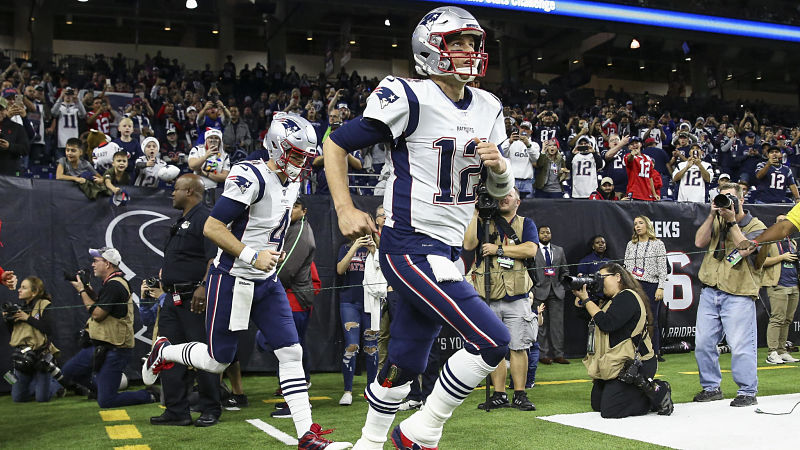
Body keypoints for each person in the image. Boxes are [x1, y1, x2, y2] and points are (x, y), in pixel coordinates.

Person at [323, 6, 515, 449]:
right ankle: (420, 432)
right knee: (493, 341)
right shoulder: (409, 95)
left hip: (447, 249)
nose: (468, 50)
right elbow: (336, 143)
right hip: (409, 243)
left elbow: (497, 190)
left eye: (472, 42)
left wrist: (501, 169)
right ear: (429, 49)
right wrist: (344, 208)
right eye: (457, 42)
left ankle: (369, 444)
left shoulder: (488, 106)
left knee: (404, 363)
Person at [141, 114, 349, 448]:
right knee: (217, 361)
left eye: (305, 157)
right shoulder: (250, 175)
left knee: (291, 352)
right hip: (233, 279)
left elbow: (268, 224)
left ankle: (307, 435)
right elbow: (212, 227)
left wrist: (272, 251)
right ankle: (165, 350)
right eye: (296, 155)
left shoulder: (292, 181)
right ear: (276, 147)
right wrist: (253, 255)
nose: (302, 163)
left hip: (266, 280)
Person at [149, 174, 221, 427]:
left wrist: (204, 286)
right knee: (168, 353)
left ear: (189, 191)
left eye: (176, 189)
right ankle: (176, 410)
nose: (172, 193)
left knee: (201, 355)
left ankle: (210, 408)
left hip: (194, 298)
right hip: (172, 298)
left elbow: (214, 259)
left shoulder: (205, 219)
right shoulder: (182, 220)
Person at [463, 188, 538, 411]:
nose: (504, 198)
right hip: (488, 295)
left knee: (519, 347)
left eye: (509, 195)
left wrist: (498, 249)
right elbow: (468, 245)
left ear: (518, 202)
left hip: (517, 295)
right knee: (495, 347)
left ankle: (520, 394)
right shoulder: (484, 221)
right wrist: (475, 213)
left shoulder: (526, 223)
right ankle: (499, 394)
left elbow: (531, 249)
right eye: (501, 194)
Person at [693, 182, 765, 407]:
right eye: (721, 197)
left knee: (741, 345)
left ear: (741, 200)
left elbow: (745, 249)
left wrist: (732, 221)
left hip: (738, 293)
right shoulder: (716, 220)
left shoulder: (756, 225)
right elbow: (699, 241)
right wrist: (711, 215)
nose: (725, 202)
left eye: (730, 198)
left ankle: (747, 391)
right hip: (710, 290)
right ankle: (711, 388)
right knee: (703, 344)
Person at [573, 263, 673, 418]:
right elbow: (588, 316)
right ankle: (638, 391)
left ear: (618, 277)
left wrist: (586, 300)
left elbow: (607, 323)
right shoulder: (608, 300)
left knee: (610, 410)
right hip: (615, 362)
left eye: (602, 277)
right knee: (597, 403)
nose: (599, 281)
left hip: (635, 364)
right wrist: (580, 296)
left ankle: (657, 391)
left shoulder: (628, 297)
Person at [62, 247, 157, 408]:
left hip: (115, 349)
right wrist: (88, 289)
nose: (92, 265)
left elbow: (98, 314)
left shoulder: (114, 286)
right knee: (70, 371)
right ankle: (99, 390)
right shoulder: (112, 283)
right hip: (102, 344)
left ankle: (149, 395)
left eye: (95, 261)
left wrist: (82, 291)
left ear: (107, 264)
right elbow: (103, 303)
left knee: (107, 401)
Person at [270, 196, 320, 419]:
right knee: (290, 349)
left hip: (294, 299)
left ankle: (298, 401)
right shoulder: (290, 229)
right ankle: (296, 396)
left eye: (296, 207)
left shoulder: (300, 231)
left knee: (287, 349)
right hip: (291, 298)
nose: (291, 210)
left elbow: (287, 270)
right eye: (289, 206)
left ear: (304, 211)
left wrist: (267, 288)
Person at [336, 230, 379, 406]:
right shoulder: (345, 248)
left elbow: (384, 270)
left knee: (371, 347)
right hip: (349, 302)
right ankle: (347, 391)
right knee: (351, 346)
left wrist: (374, 250)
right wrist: (354, 247)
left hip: (371, 302)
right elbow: (340, 270)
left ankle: (372, 390)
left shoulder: (377, 247)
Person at [4, 276, 61, 402]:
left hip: (41, 355)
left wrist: (27, 318)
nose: (19, 290)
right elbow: (13, 333)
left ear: (34, 292)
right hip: (22, 356)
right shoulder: (20, 308)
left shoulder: (44, 304)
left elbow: (49, 329)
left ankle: (56, 385)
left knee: (42, 398)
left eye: (24, 288)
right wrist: (8, 320)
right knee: (18, 398)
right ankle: (37, 384)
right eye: (20, 287)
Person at [624, 216, 667, 360]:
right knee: (634, 319)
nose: (637, 226)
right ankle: (635, 352)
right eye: (635, 224)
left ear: (648, 225)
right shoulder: (631, 244)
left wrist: (661, 287)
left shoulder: (658, 244)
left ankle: (654, 352)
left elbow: (663, 268)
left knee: (651, 319)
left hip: (651, 285)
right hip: (634, 285)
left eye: (640, 223)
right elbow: (626, 266)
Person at [760, 215, 800, 364]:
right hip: (778, 284)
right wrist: (782, 257)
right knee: (777, 319)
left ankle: (782, 351)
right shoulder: (769, 242)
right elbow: (761, 261)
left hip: (793, 284)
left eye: (785, 221)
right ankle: (772, 352)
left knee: (787, 320)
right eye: (780, 222)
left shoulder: (792, 242)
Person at [533, 225, 569, 365]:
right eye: (542, 233)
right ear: (538, 235)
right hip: (539, 291)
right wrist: (533, 288)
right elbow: (529, 270)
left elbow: (565, 270)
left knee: (557, 325)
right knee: (541, 324)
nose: (545, 235)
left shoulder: (559, 250)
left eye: (548, 232)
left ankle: (558, 355)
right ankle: (543, 355)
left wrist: (562, 284)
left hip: (556, 292)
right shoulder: (533, 250)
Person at [188, 128, 230, 202]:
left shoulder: (224, 156)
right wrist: (206, 156)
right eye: (210, 138)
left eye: (216, 138)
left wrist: (205, 173)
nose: (213, 140)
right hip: (196, 189)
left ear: (220, 140)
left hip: (212, 191)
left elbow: (224, 177)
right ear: (206, 139)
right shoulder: (197, 149)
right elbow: (192, 166)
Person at [504, 120, 539, 198]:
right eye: (522, 128)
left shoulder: (534, 145)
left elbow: (536, 158)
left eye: (526, 129)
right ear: (519, 129)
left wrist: (528, 145)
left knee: (528, 204)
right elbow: (502, 154)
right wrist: (509, 142)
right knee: (511, 202)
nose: (524, 130)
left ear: (531, 131)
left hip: (527, 181)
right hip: (511, 179)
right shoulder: (510, 142)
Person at [51, 87, 85, 160]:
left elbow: (83, 114)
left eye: (70, 94)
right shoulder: (60, 106)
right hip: (61, 140)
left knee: (73, 163)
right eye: (66, 94)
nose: (68, 96)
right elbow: (53, 113)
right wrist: (60, 97)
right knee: (61, 163)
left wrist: (77, 100)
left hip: (74, 139)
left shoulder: (76, 107)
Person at [624, 137, 661, 201]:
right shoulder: (627, 156)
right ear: (629, 147)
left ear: (640, 144)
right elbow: (629, 160)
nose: (634, 145)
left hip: (647, 193)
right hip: (635, 193)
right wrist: (632, 154)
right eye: (632, 144)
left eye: (636, 143)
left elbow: (650, 177)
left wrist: (654, 194)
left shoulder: (648, 158)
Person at [0, 96, 30, 175]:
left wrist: (9, 146)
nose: (0, 112)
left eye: (1, 109)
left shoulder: (17, 127)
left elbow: (25, 149)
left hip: (10, 172)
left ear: (6, 111)